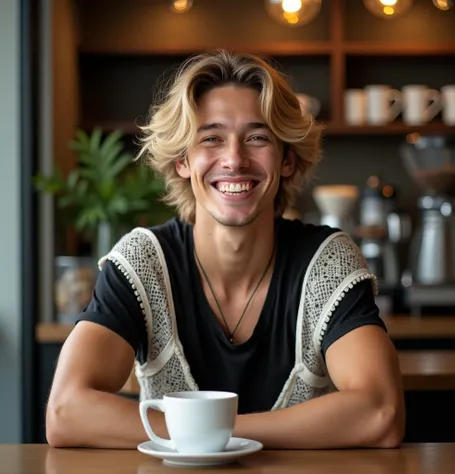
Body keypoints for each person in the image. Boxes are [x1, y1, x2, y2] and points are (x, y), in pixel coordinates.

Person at [46, 50, 405, 449]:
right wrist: (224, 436)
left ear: (286, 159)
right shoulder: (142, 261)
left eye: (257, 138)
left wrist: (213, 435)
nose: (234, 159)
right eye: (211, 138)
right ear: (183, 160)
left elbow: (381, 412)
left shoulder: (327, 262)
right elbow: (65, 411)